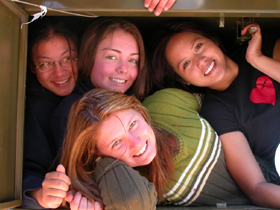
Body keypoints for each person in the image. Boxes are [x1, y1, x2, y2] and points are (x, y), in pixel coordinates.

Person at [152, 21, 280, 208]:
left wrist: (257, 58)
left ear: (214, 41)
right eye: (186, 64)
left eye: (198, 46)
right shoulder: (216, 111)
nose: (200, 61)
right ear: (183, 80)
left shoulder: (264, 46)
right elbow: (257, 188)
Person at [60, 88, 253, 209]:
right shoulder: (132, 183)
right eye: (116, 143)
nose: (136, 143)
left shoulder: (164, 103)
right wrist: (103, 165)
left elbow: (220, 102)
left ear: (139, 110)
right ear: (98, 152)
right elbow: (133, 203)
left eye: (133, 124)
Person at [48, 17, 148, 208]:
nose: (123, 69)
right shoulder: (73, 113)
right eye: (112, 57)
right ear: (87, 58)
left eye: (133, 60)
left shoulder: (131, 101)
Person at [22, 17, 79, 209]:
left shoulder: (91, 88)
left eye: (67, 59)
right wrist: (41, 195)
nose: (60, 73)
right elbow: (27, 171)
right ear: (33, 69)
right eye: (46, 64)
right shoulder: (34, 110)